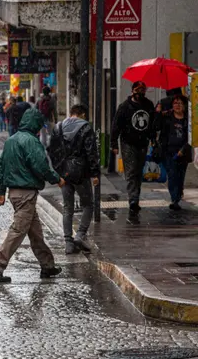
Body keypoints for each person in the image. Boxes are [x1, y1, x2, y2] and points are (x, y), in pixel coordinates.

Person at [0, 108, 65, 283]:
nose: (39, 130)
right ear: (35, 124)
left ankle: (47, 266)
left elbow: (0, 168)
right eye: (39, 126)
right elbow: (41, 165)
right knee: (18, 231)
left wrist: (1, 192)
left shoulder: (11, 141)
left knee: (35, 232)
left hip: (14, 194)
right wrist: (56, 179)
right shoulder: (31, 142)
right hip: (26, 194)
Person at [47, 104, 100, 254]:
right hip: (81, 172)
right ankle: (80, 235)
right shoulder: (86, 127)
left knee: (67, 208)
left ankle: (68, 243)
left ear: (71, 114)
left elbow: (52, 151)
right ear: (82, 114)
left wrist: (58, 172)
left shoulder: (58, 127)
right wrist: (95, 173)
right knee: (88, 204)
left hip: (64, 173)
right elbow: (91, 152)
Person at [110, 81, 155, 222]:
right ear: (132, 91)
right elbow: (116, 125)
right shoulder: (124, 107)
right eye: (138, 89)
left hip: (143, 142)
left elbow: (152, 124)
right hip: (127, 143)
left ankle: (135, 196)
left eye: (143, 89)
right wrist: (113, 143)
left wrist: (153, 139)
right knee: (131, 171)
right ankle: (133, 200)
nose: (141, 92)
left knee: (138, 171)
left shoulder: (148, 105)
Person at [154, 96, 190, 210]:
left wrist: (183, 150)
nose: (177, 105)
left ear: (184, 106)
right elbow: (156, 126)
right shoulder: (167, 117)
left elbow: (190, 136)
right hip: (168, 151)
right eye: (175, 103)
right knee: (172, 174)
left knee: (180, 176)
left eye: (180, 103)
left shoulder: (187, 120)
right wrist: (158, 113)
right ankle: (175, 199)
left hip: (183, 152)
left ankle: (178, 195)